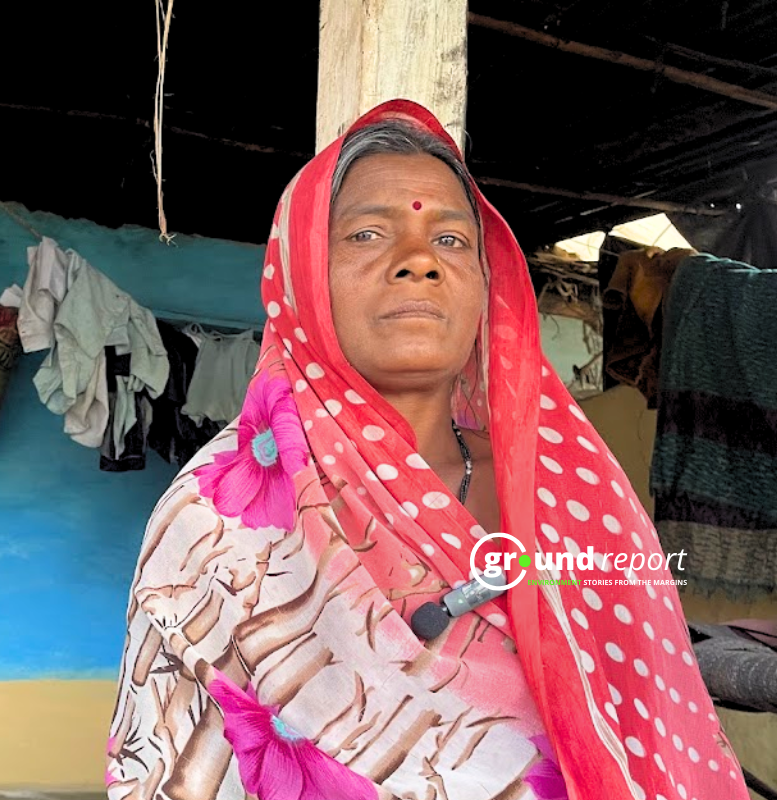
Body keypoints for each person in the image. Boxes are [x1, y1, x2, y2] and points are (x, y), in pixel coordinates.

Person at [105, 100, 748, 800]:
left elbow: (657, 731)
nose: (417, 261)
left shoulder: (574, 493)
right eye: (367, 234)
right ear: (301, 279)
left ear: (485, 284)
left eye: (449, 241)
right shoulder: (211, 520)